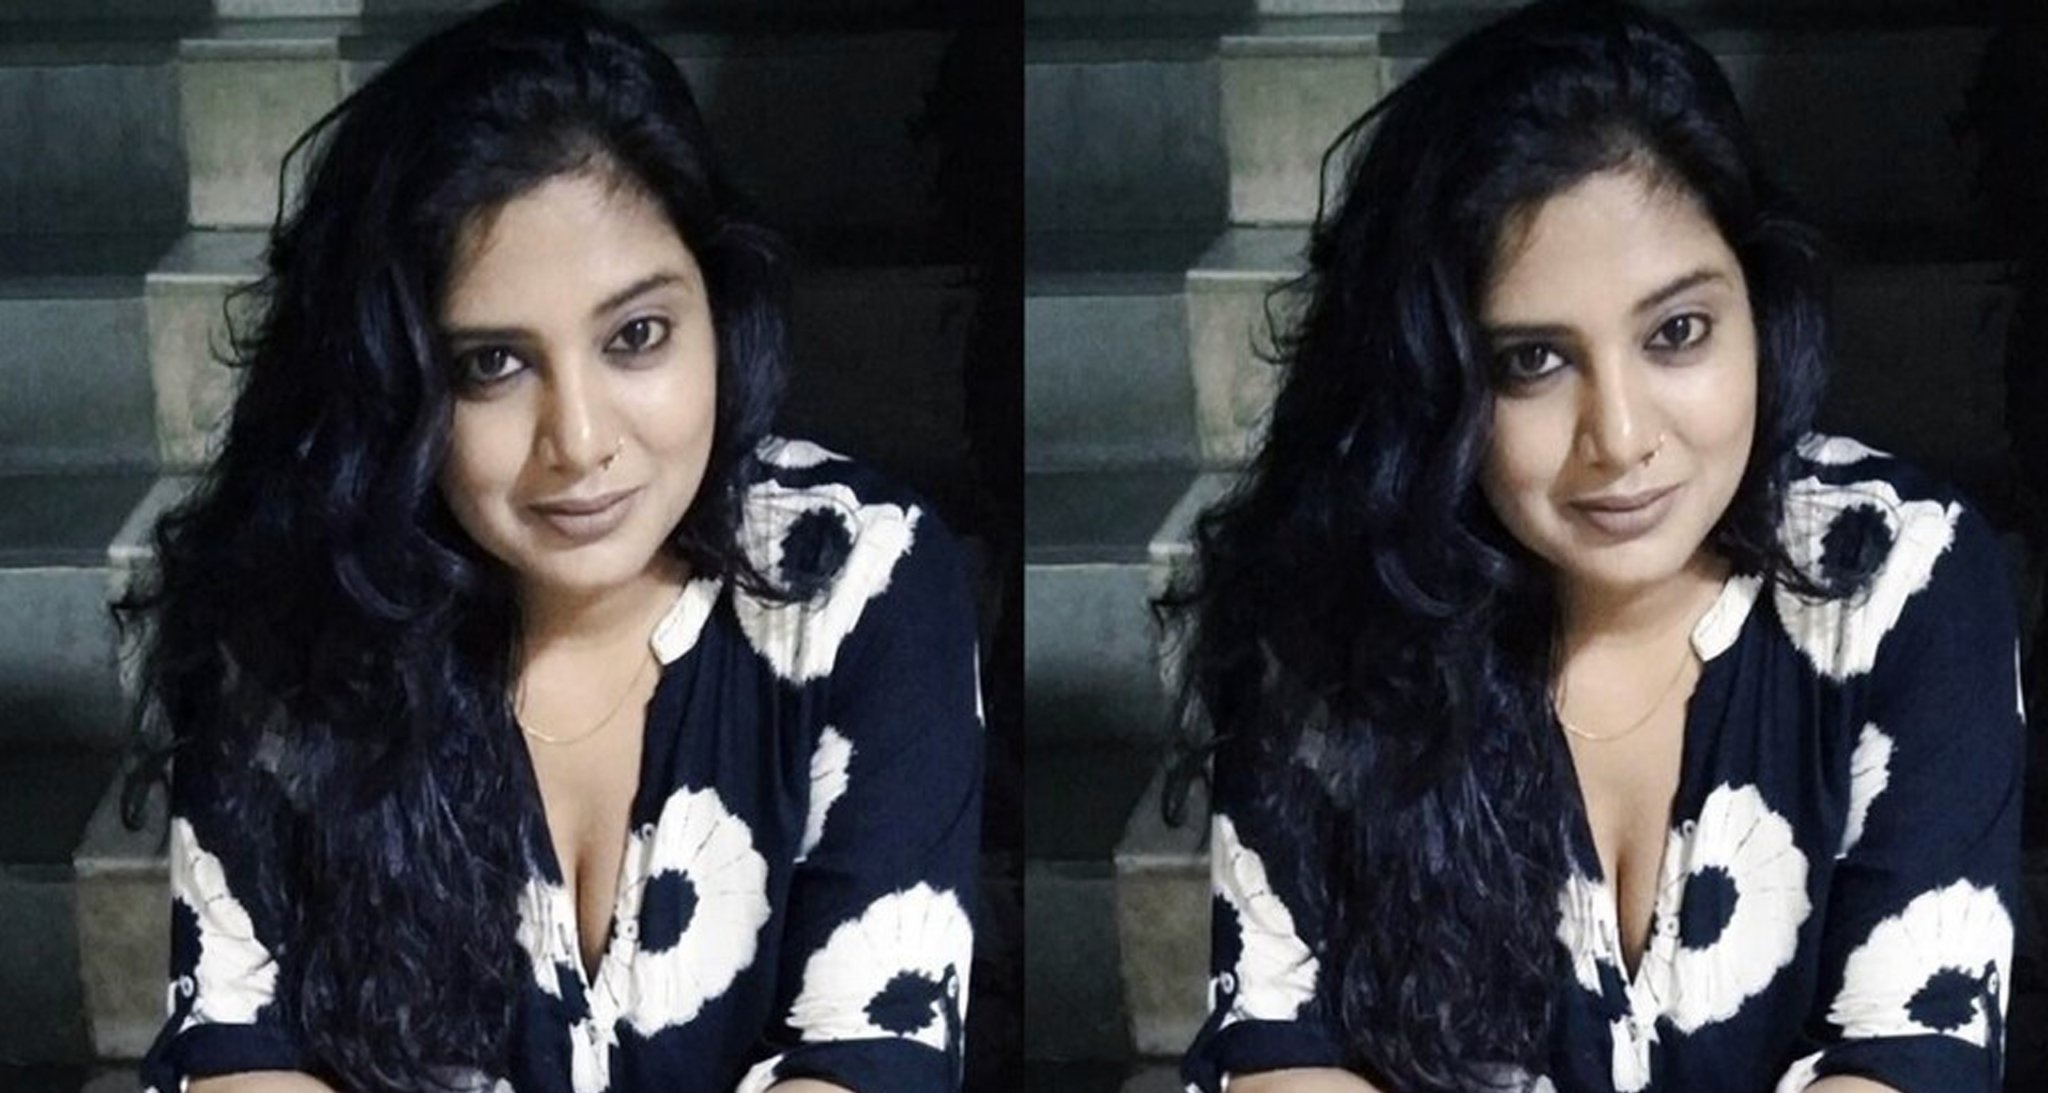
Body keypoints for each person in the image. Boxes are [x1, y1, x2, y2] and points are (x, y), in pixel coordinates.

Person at [118, 3, 983, 1091]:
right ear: (391, 386)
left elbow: (872, 1061)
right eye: (492, 363)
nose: (578, 441)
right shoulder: (295, 613)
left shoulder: (860, 577)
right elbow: (240, 1054)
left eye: (636, 336)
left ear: (718, 311)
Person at [1165, 2, 2026, 1091]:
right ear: (1430, 384)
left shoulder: (1901, 576)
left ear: (1757, 307)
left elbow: (1912, 1059)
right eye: (1531, 360)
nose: (1618, 438)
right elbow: (1281, 1053)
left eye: (1676, 332)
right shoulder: (1334, 610)